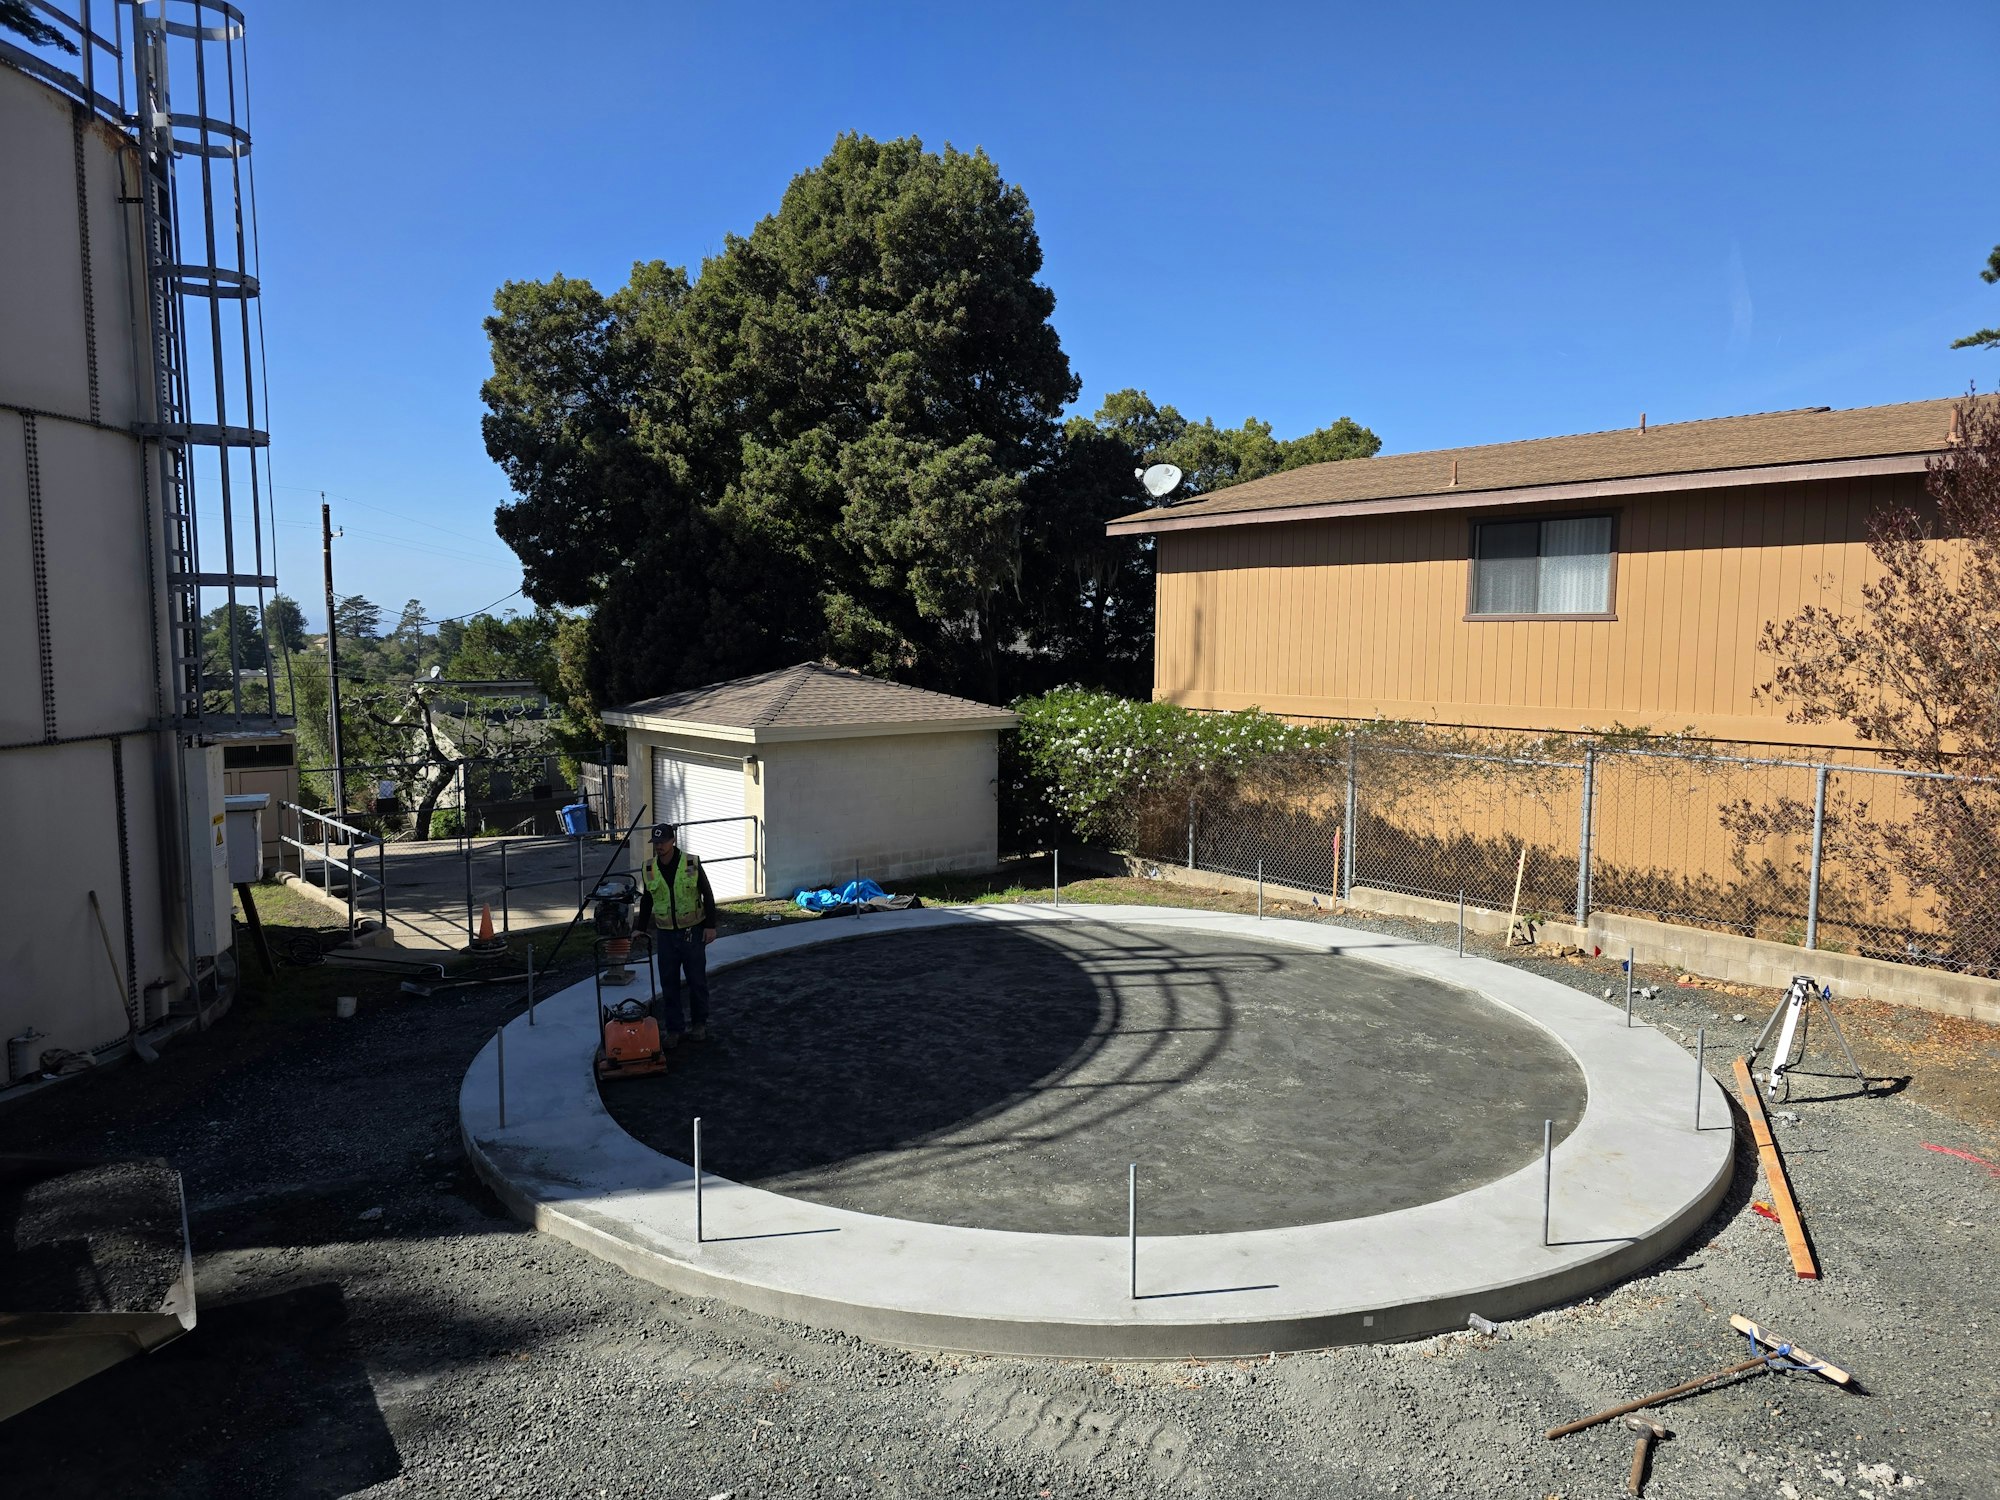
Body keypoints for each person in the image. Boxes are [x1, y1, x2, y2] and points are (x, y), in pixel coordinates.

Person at [636, 822, 718, 1043]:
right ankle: (674, 1029)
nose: (659, 846)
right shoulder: (650, 868)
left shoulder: (691, 863)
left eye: (663, 842)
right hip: (665, 935)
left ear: (673, 841)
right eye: (656, 843)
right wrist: (639, 928)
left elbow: (707, 895)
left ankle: (699, 1024)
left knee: (696, 981)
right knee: (668, 983)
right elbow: (647, 900)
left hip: (692, 931)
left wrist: (710, 926)